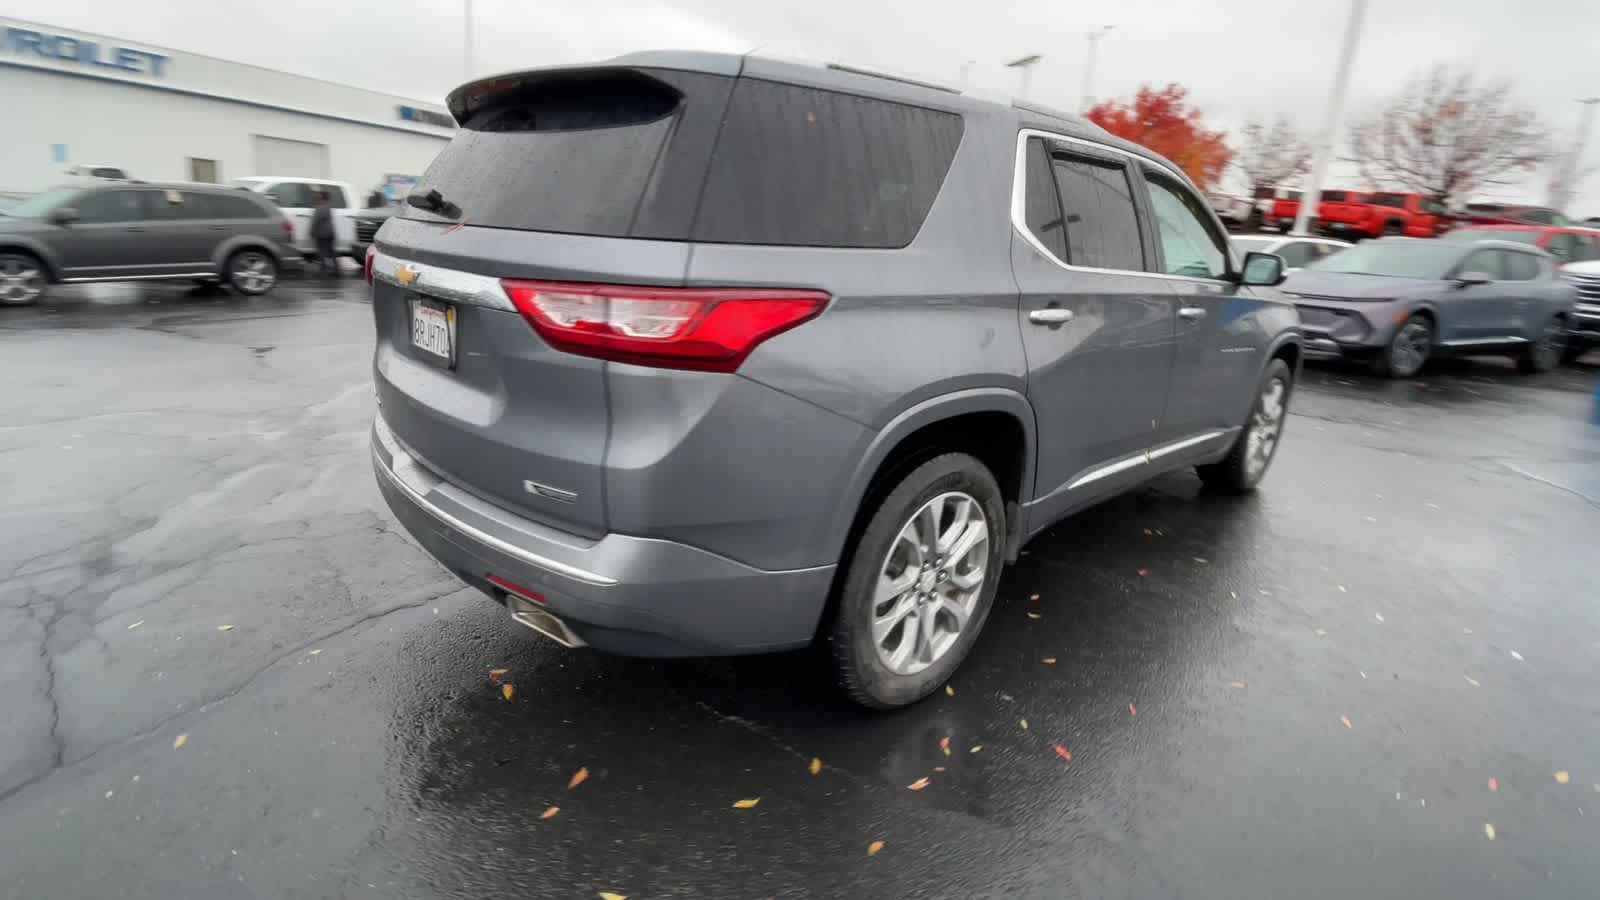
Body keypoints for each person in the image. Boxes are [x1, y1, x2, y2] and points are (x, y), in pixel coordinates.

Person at [309, 191, 337, 277]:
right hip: (331, 233)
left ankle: (322, 271)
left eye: (318, 198)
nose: (317, 199)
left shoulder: (320, 208)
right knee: (331, 252)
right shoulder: (329, 207)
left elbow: (315, 221)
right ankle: (335, 270)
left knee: (321, 253)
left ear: (322, 198)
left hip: (322, 234)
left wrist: (311, 232)